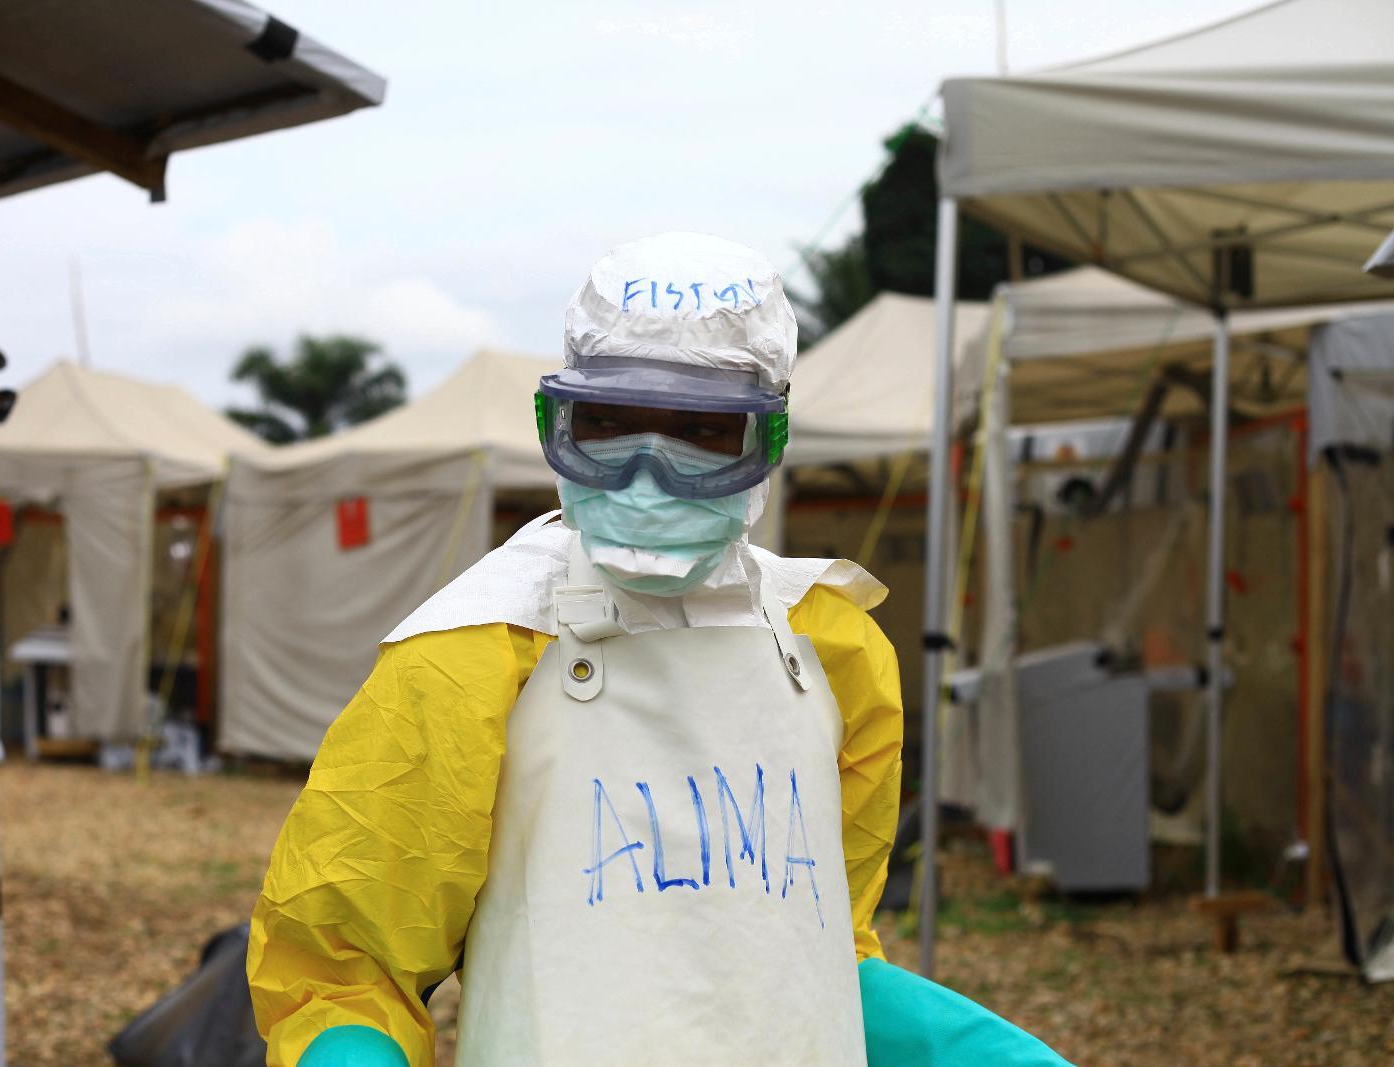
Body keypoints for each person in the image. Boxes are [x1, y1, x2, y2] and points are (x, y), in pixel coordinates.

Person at [248, 233, 1068, 1066]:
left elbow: (820, 942)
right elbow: (349, 971)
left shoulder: (832, 643)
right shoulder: (473, 651)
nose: (647, 474)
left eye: (703, 433)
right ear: (556, 424)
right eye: (605, 426)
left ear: (768, 440)